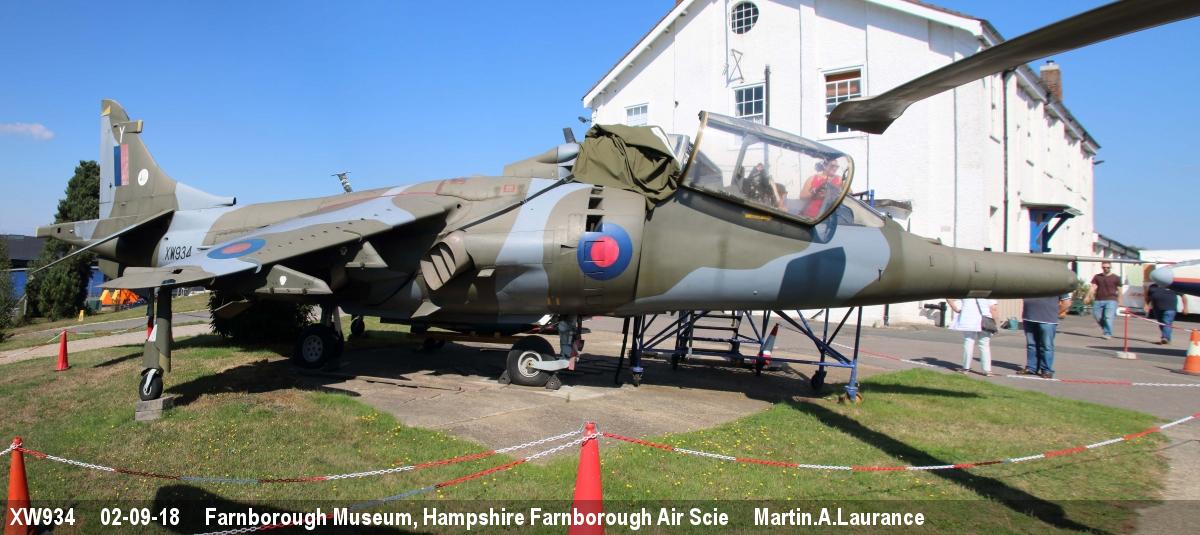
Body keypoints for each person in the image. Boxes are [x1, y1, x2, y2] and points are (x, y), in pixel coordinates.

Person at [1021, 294, 1072, 378]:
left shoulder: (1058, 285)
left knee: (1046, 346)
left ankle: (1046, 370)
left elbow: (1066, 302)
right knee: (1031, 345)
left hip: (1048, 320)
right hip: (1029, 317)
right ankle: (1031, 368)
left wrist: (1055, 313)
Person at [947, 297, 998, 376]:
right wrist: (995, 322)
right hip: (985, 320)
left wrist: (953, 305)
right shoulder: (987, 294)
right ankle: (987, 370)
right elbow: (993, 308)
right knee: (984, 345)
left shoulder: (966, 293)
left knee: (969, 343)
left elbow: (953, 304)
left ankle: (965, 368)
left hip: (968, 320)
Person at [1087, 262, 1122, 339]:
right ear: (1102, 268)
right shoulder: (1097, 277)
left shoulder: (1116, 277)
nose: (1106, 269)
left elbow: (1119, 290)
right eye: (1104, 267)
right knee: (1097, 316)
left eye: (1108, 267)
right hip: (1098, 299)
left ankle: (1107, 333)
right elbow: (1093, 287)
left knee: (1108, 317)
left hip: (1111, 300)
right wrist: (1088, 296)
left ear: (1110, 267)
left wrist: (1120, 300)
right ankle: (1106, 328)